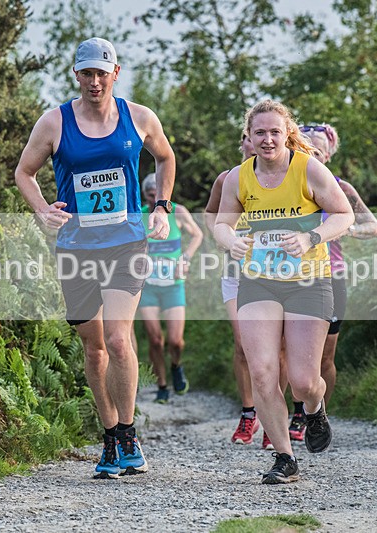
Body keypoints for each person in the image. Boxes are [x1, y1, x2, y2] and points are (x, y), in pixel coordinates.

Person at [15, 37, 176, 479]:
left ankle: (128, 434)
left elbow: (165, 158)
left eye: (102, 73)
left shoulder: (139, 117)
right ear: (77, 76)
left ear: (115, 74)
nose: (94, 81)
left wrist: (161, 207)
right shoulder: (54, 123)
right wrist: (42, 209)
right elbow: (23, 172)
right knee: (94, 344)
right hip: (77, 246)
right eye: (86, 73)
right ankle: (109, 436)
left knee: (120, 339)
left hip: (126, 242)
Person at [213, 100, 354, 484]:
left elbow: (344, 215)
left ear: (287, 133)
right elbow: (221, 223)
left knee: (305, 380)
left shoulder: (308, 168)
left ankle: (314, 408)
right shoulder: (238, 178)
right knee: (262, 371)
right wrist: (231, 241)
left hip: (309, 281)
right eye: (260, 132)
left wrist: (311, 237)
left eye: (275, 131)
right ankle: (285, 458)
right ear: (249, 136)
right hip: (258, 281)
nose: (267, 139)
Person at [286, 123, 377, 442]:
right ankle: (298, 412)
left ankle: (317, 418)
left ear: (328, 155)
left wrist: (348, 229)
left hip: (331, 275)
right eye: (306, 149)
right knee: (290, 350)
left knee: (325, 356)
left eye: (318, 151)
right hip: (288, 276)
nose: (311, 154)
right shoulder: (286, 182)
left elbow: (373, 226)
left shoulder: (341, 187)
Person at [204, 132, 286, 450]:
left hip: (274, 271)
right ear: (244, 143)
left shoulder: (283, 178)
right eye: (251, 137)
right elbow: (210, 214)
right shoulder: (228, 179)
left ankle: (273, 422)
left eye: (267, 135)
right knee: (242, 344)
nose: (258, 143)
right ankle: (249, 413)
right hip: (236, 270)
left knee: (278, 348)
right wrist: (223, 236)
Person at [139, 173, 204, 404]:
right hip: (148, 286)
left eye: (155, 196)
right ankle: (162, 386)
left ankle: (176, 366)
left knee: (176, 341)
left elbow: (198, 234)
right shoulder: (141, 215)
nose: (152, 201)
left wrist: (185, 258)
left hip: (173, 286)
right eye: (148, 197)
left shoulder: (177, 212)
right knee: (155, 339)